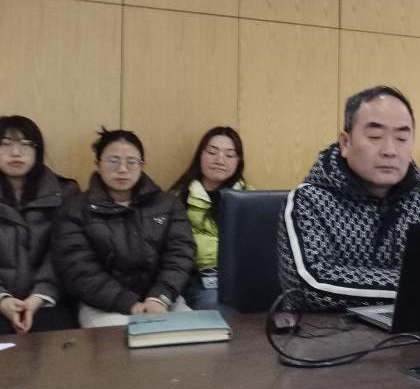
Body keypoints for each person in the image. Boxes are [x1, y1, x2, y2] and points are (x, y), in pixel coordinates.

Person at [278, 85, 420, 310]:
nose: (390, 150)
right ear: (345, 143)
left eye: (401, 138)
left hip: (417, 327)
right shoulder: (308, 200)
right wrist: (419, 285)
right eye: (375, 136)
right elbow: (309, 285)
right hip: (329, 331)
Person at [53, 128, 196, 328]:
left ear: (142, 165)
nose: (122, 169)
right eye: (113, 161)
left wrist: (159, 298)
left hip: (164, 300)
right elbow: (79, 269)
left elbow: (180, 254)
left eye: (131, 162)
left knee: (196, 339)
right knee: (121, 340)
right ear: (98, 164)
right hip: (103, 305)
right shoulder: (75, 209)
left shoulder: (167, 204)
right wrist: (129, 304)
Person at [0, 116, 79, 334]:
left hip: (50, 299)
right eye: (5, 144)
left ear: (38, 150)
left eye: (26, 144)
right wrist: (3, 300)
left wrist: (39, 297)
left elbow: (64, 252)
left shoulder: (65, 193)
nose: (16, 153)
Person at [168, 126, 253, 309]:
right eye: (212, 152)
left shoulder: (250, 198)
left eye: (230, 155)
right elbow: (175, 250)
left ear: (238, 161)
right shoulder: (178, 198)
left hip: (244, 276)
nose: (220, 160)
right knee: (217, 304)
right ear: (200, 155)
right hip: (198, 279)